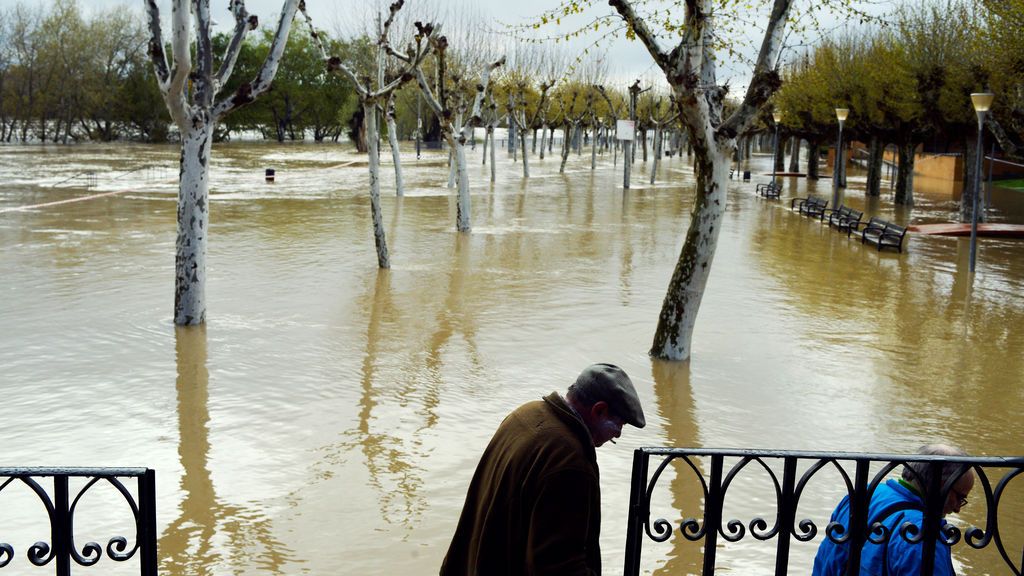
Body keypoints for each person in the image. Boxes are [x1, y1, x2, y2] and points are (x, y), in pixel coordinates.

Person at [439, 363, 646, 576]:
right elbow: (558, 565)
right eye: (619, 424)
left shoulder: (526, 413)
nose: (618, 434)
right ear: (599, 410)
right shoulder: (570, 462)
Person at [813, 444, 975, 576]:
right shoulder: (923, 534)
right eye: (960, 497)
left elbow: (825, 557)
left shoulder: (862, 494)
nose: (957, 509)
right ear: (941, 485)